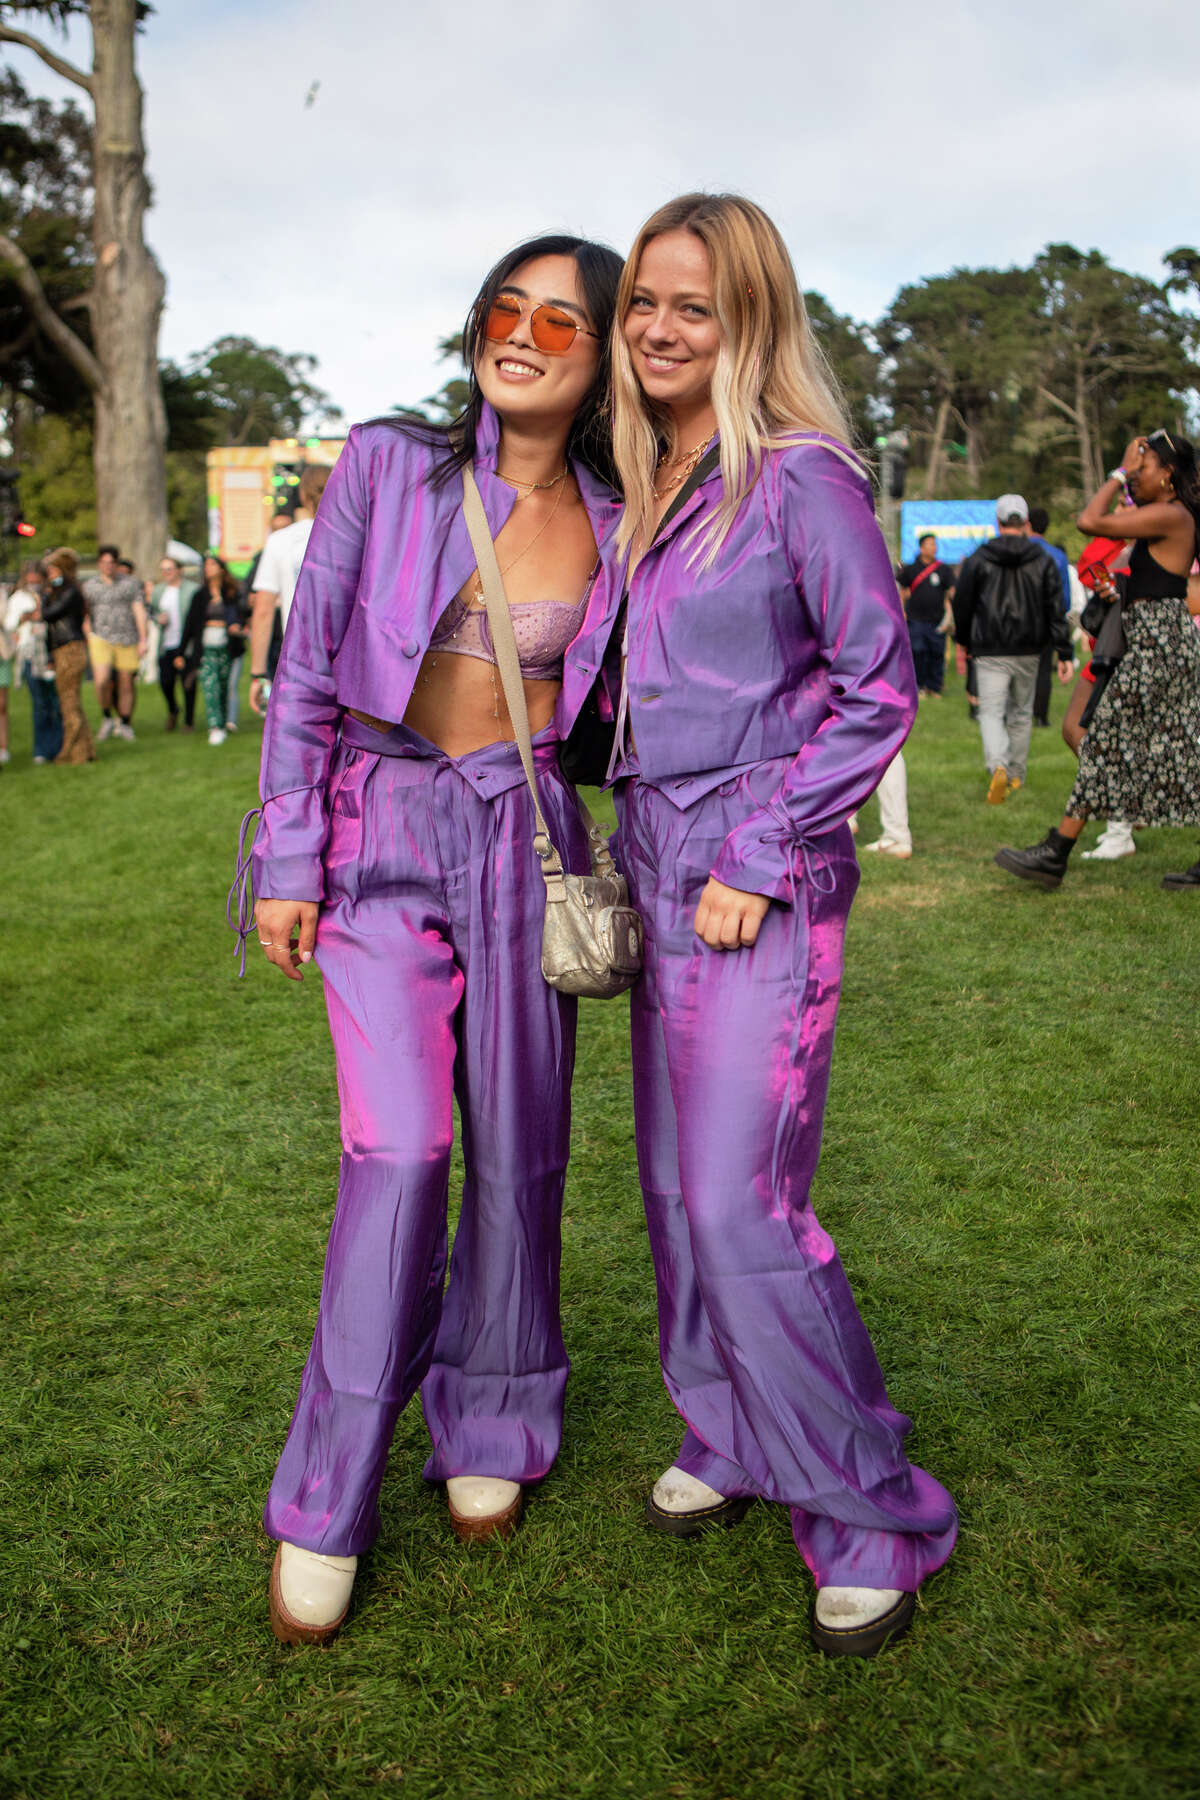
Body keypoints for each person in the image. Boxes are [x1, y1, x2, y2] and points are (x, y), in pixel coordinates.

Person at [564, 192, 956, 1658]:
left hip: (754, 882)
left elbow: (876, 685)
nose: (660, 328)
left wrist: (766, 845)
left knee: (743, 1205)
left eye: (695, 307)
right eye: (644, 304)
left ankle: (871, 1513)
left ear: (749, 324)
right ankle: (726, 1426)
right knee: (672, 1196)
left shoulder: (800, 481)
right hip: (652, 864)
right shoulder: (647, 480)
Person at [241, 234, 623, 1645]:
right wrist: (288, 854)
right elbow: (302, 672)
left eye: (559, 321)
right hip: (380, 825)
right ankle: (329, 1489)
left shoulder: (621, 514)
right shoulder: (387, 467)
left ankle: (498, 1411)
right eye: (504, 310)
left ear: (598, 359)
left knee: (522, 1148)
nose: (521, 335)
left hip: (527, 837)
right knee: (398, 1154)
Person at [996, 431, 1200, 891]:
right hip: (1152, 639)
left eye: (1143, 468)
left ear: (1167, 475)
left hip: (1158, 644)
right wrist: (1123, 591)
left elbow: (1089, 520)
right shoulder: (1173, 514)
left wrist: (1115, 473)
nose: (1133, 477)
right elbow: (1164, 585)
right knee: (1178, 753)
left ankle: (1055, 854)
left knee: (1107, 743)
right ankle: (1057, 852)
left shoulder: (1172, 514)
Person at [951, 495, 1073, 803]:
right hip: (1030, 649)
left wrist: (963, 641)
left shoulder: (979, 557)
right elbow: (1056, 607)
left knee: (990, 712)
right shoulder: (1044, 559)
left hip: (990, 648)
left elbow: (963, 604)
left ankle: (998, 766)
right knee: (1021, 713)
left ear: (998, 522)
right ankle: (1016, 775)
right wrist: (1064, 651)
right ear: (1027, 523)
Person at [247, 467, 332, 714]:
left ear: (303, 496)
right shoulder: (361, 535)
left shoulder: (280, 541)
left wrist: (258, 674)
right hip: (351, 657)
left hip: (300, 658)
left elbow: (263, 610)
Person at [177, 555, 244, 745]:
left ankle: (223, 722)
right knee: (210, 685)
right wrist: (181, 652)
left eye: (212, 564)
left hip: (228, 647)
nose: (208, 568)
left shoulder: (232, 593)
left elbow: (241, 615)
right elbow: (190, 625)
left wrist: (236, 626)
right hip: (206, 648)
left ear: (222, 569)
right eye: (206, 565)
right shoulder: (200, 595)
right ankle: (214, 726)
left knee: (224, 686)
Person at [83, 544, 147, 741]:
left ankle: (125, 722)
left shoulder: (130, 584)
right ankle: (107, 717)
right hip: (100, 637)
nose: (108, 567)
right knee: (101, 681)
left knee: (126, 683)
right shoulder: (90, 586)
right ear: (99, 564)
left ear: (117, 564)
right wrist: (88, 636)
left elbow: (138, 610)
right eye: (104, 562)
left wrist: (143, 638)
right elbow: (85, 614)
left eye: (111, 563)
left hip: (127, 638)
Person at [6, 562, 62, 764]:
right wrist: (26, 618)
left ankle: (58, 747)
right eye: (30, 581)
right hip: (30, 654)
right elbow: (10, 624)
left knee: (55, 702)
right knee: (39, 704)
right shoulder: (18, 599)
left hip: (51, 652)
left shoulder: (50, 594)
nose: (34, 584)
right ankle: (41, 750)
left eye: (37, 580)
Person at [42, 548, 95, 764]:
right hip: (61, 649)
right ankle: (84, 751)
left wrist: (44, 599)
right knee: (71, 702)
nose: (50, 574)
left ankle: (69, 751)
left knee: (69, 702)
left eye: (53, 569)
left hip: (70, 649)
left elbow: (49, 614)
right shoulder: (61, 591)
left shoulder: (71, 591)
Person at [1027, 507, 1072, 728]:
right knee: (1044, 668)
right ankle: (1041, 715)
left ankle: (1020, 712)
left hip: (1021, 618)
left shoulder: (1020, 550)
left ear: (1027, 523)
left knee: (1021, 666)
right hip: (1047, 619)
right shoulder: (1058, 555)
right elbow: (1065, 593)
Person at [897, 532, 954, 696]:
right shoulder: (911, 569)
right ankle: (919, 686)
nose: (933, 547)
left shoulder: (944, 570)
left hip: (937, 620)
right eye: (930, 544)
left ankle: (935, 687)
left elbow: (950, 593)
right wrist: (902, 611)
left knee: (937, 653)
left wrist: (950, 616)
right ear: (922, 548)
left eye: (935, 544)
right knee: (917, 651)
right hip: (915, 619)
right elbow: (902, 591)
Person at [148, 555, 201, 730]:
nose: (166, 573)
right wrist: (158, 618)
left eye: (169, 569)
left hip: (186, 645)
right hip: (167, 644)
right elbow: (152, 611)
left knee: (188, 683)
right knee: (166, 682)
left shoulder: (192, 589)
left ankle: (189, 721)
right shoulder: (158, 591)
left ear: (179, 570)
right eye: (163, 570)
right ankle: (173, 709)